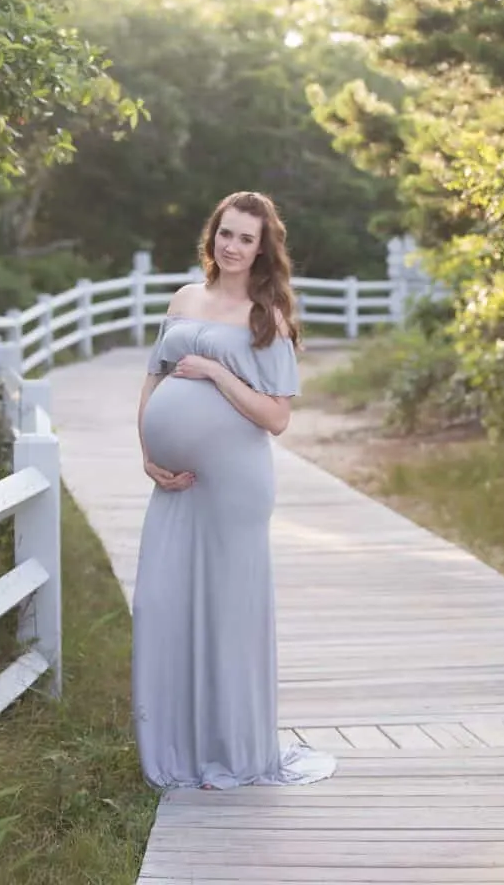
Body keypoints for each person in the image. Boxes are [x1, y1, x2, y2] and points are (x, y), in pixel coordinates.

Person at [132, 191, 336, 791]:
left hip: (234, 488)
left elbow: (275, 418)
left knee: (227, 615)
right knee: (159, 604)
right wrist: (149, 454)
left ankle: (233, 749)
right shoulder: (184, 299)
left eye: (247, 238)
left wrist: (218, 372)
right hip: (174, 485)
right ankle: (175, 746)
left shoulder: (264, 316)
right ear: (212, 236)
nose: (234, 245)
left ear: (261, 247)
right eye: (227, 233)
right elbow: (153, 379)